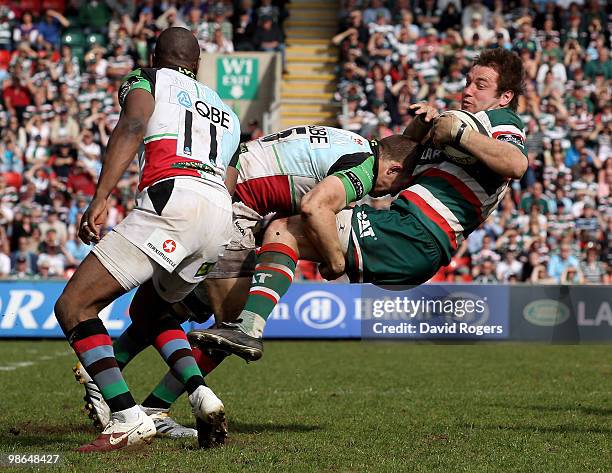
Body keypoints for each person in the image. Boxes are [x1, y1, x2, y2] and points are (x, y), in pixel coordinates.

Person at [79, 126, 419, 438]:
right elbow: (315, 207)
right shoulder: (362, 167)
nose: (388, 195)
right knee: (234, 328)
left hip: (217, 193)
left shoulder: (353, 141)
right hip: (231, 208)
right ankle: (155, 406)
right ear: (392, 170)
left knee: (174, 307)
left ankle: (107, 375)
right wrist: (334, 260)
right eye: (397, 186)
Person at [190, 48, 529, 361]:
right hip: (409, 239)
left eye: (480, 85)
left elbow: (516, 165)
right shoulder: (458, 131)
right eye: (467, 82)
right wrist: (420, 126)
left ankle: (247, 327)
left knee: (283, 229)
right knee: (282, 228)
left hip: (413, 233)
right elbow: (397, 160)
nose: (468, 90)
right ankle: (182, 380)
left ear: (505, 96)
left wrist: (460, 134)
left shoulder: (500, 121)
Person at [54, 27, 240, 453]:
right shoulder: (226, 111)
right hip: (218, 213)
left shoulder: (147, 79)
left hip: (174, 198)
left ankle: (126, 415)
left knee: (74, 305)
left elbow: (134, 123)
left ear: (155, 57)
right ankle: (200, 393)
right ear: (196, 64)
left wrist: (100, 198)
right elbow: (229, 174)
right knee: (152, 310)